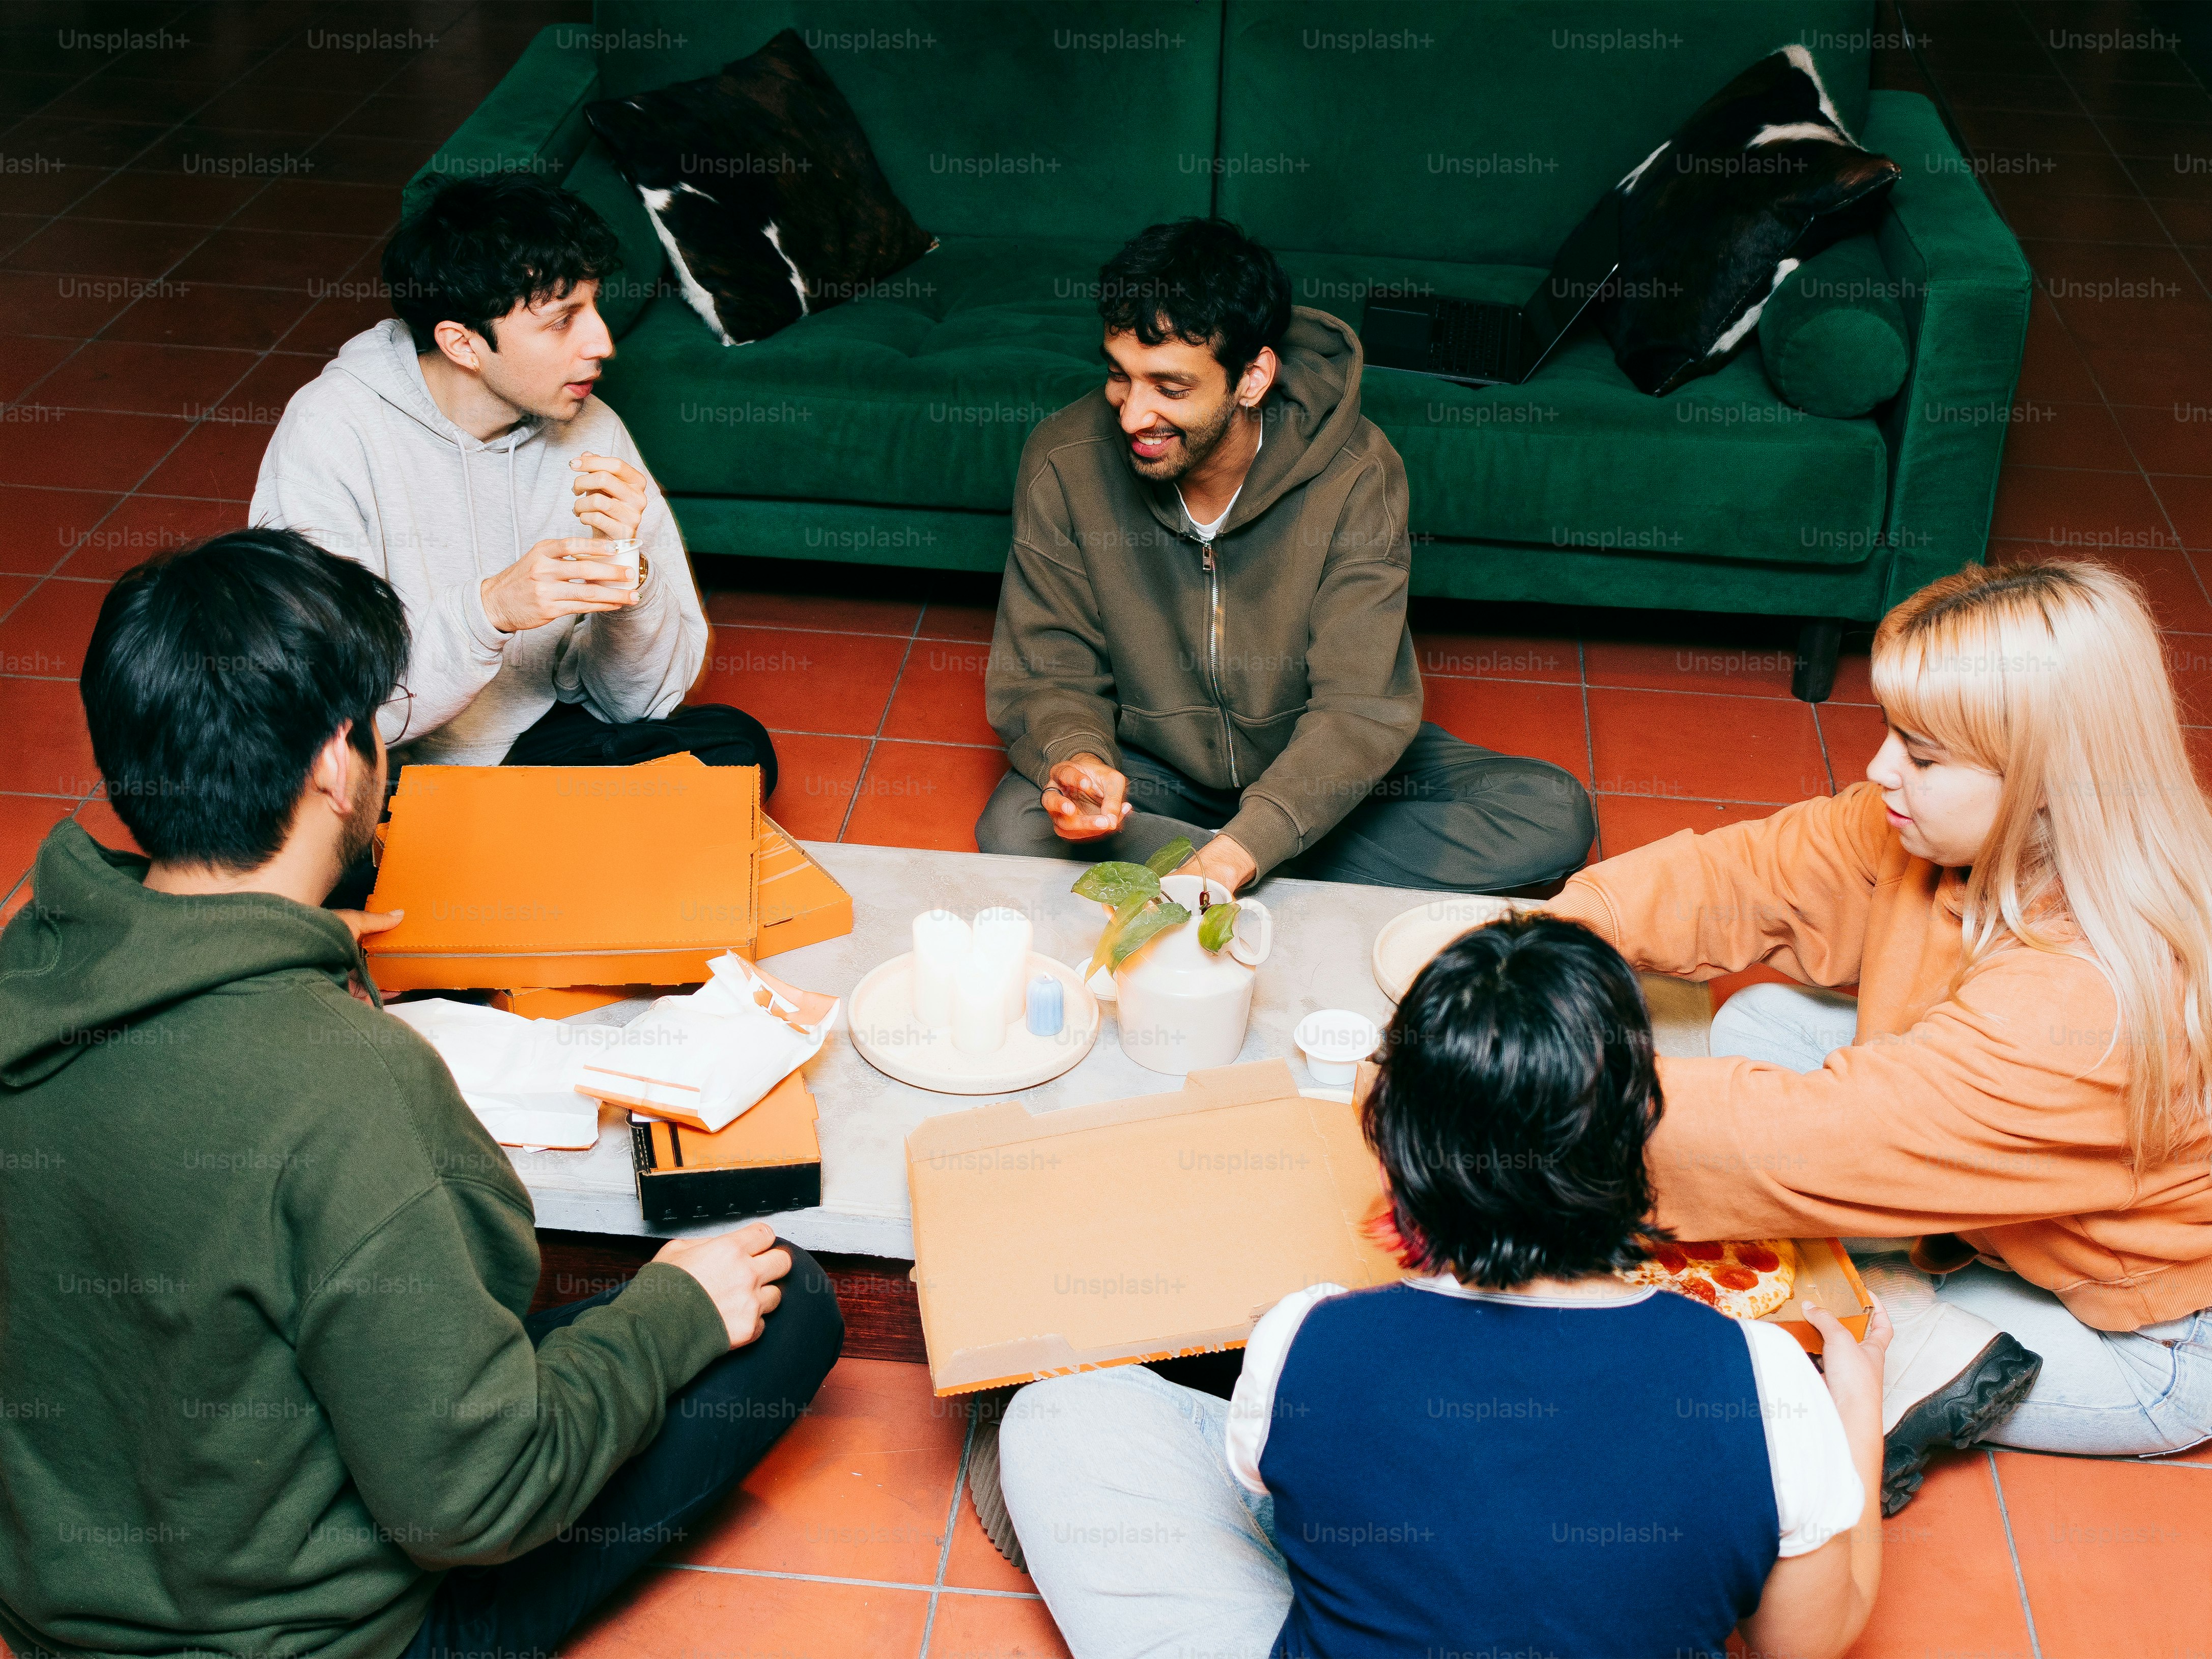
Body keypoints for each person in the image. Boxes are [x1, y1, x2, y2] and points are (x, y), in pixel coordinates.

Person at [0, 529, 841, 1659]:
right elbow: (475, 1498)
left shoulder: (30, 967)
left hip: (66, 1606)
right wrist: (670, 1317)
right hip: (328, 1637)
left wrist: (287, 947)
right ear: (338, 766)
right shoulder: (344, 1080)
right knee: (789, 1305)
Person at [999, 914, 1890, 1659]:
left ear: (1396, 1144)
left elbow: (1296, 1502)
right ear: (1635, 1137)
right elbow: (1804, 1647)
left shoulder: (1303, 1338)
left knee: (1059, 1415)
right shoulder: (1764, 1376)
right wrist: (1856, 1409)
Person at [1546, 559, 2212, 1509]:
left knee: (1783, 1349)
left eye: (1923, 758)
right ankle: (1887, 1301)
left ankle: (1905, 1365)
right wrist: (1535, 949)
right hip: (1994, 1208)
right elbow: (1746, 876)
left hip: (2143, 1342)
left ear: (2042, 784)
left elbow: (1802, 1144)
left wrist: (1515, 1087)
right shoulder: (1946, 831)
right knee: (1763, 1021)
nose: (1877, 770)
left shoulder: (2083, 1001)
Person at [977, 218, 1594, 896]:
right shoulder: (1063, 463)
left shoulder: (1357, 474)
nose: (1131, 416)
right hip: (1153, 766)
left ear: (1252, 378)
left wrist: (1251, 842)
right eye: (1120, 377)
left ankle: (1225, 863)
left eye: (1170, 389)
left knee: (1549, 812)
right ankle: (1262, 869)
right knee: (1017, 830)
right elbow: (1050, 670)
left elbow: (1358, 707)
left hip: (1312, 760)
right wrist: (1081, 760)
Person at [248, 176, 774, 906]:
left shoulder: (593, 429)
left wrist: (635, 584)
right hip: (388, 775)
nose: (602, 343)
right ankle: (528, 882)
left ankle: (489, 883)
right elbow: (332, 708)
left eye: (592, 306)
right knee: (297, 830)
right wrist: (490, 610)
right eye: (561, 321)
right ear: (463, 343)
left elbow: (639, 707)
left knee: (732, 750)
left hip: (534, 752)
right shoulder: (331, 436)